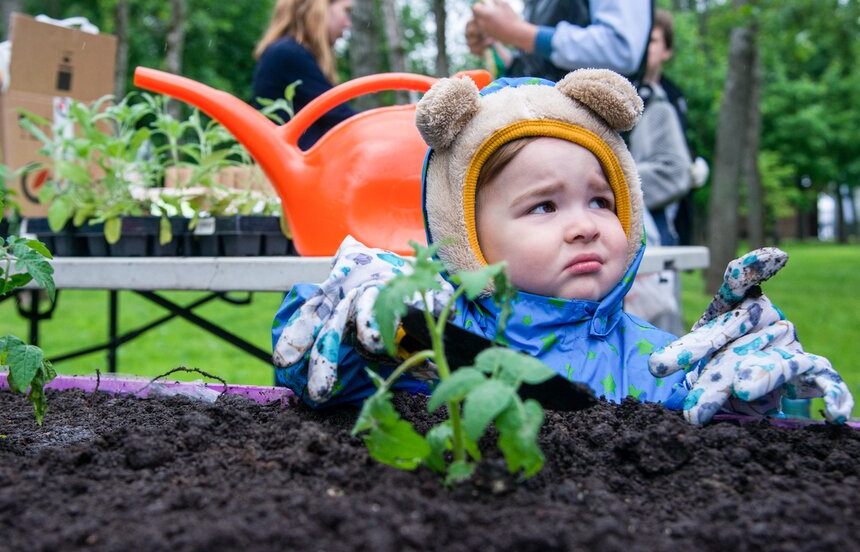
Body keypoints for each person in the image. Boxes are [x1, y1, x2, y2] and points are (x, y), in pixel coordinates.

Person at [271, 69, 854, 426]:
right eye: (544, 207)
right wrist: (349, 329)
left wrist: (763, 399)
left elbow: (725, 447)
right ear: (467, 238)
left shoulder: (656, 364)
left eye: (601, 201)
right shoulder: (429, 338)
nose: (584, 226)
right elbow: (315, 384)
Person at [465, 0, 652, 82]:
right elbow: (539, 69)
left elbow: (621, 49)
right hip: (545, 132)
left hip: (590, 143)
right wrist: (494, 44)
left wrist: (519, 33)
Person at [252, 0, 356, 150]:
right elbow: (338, 114)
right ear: (321, 6)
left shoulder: (289, 52)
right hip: (289, 167)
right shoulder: (289, 53)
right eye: (346, 11)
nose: (348, 23)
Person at [628, 8, 693, 248]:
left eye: (652, 40)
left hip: (654, 234)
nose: (645, 47)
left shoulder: (669, 101)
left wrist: (610, 179)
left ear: (667, 50)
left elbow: (677, 172)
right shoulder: (606, 92)